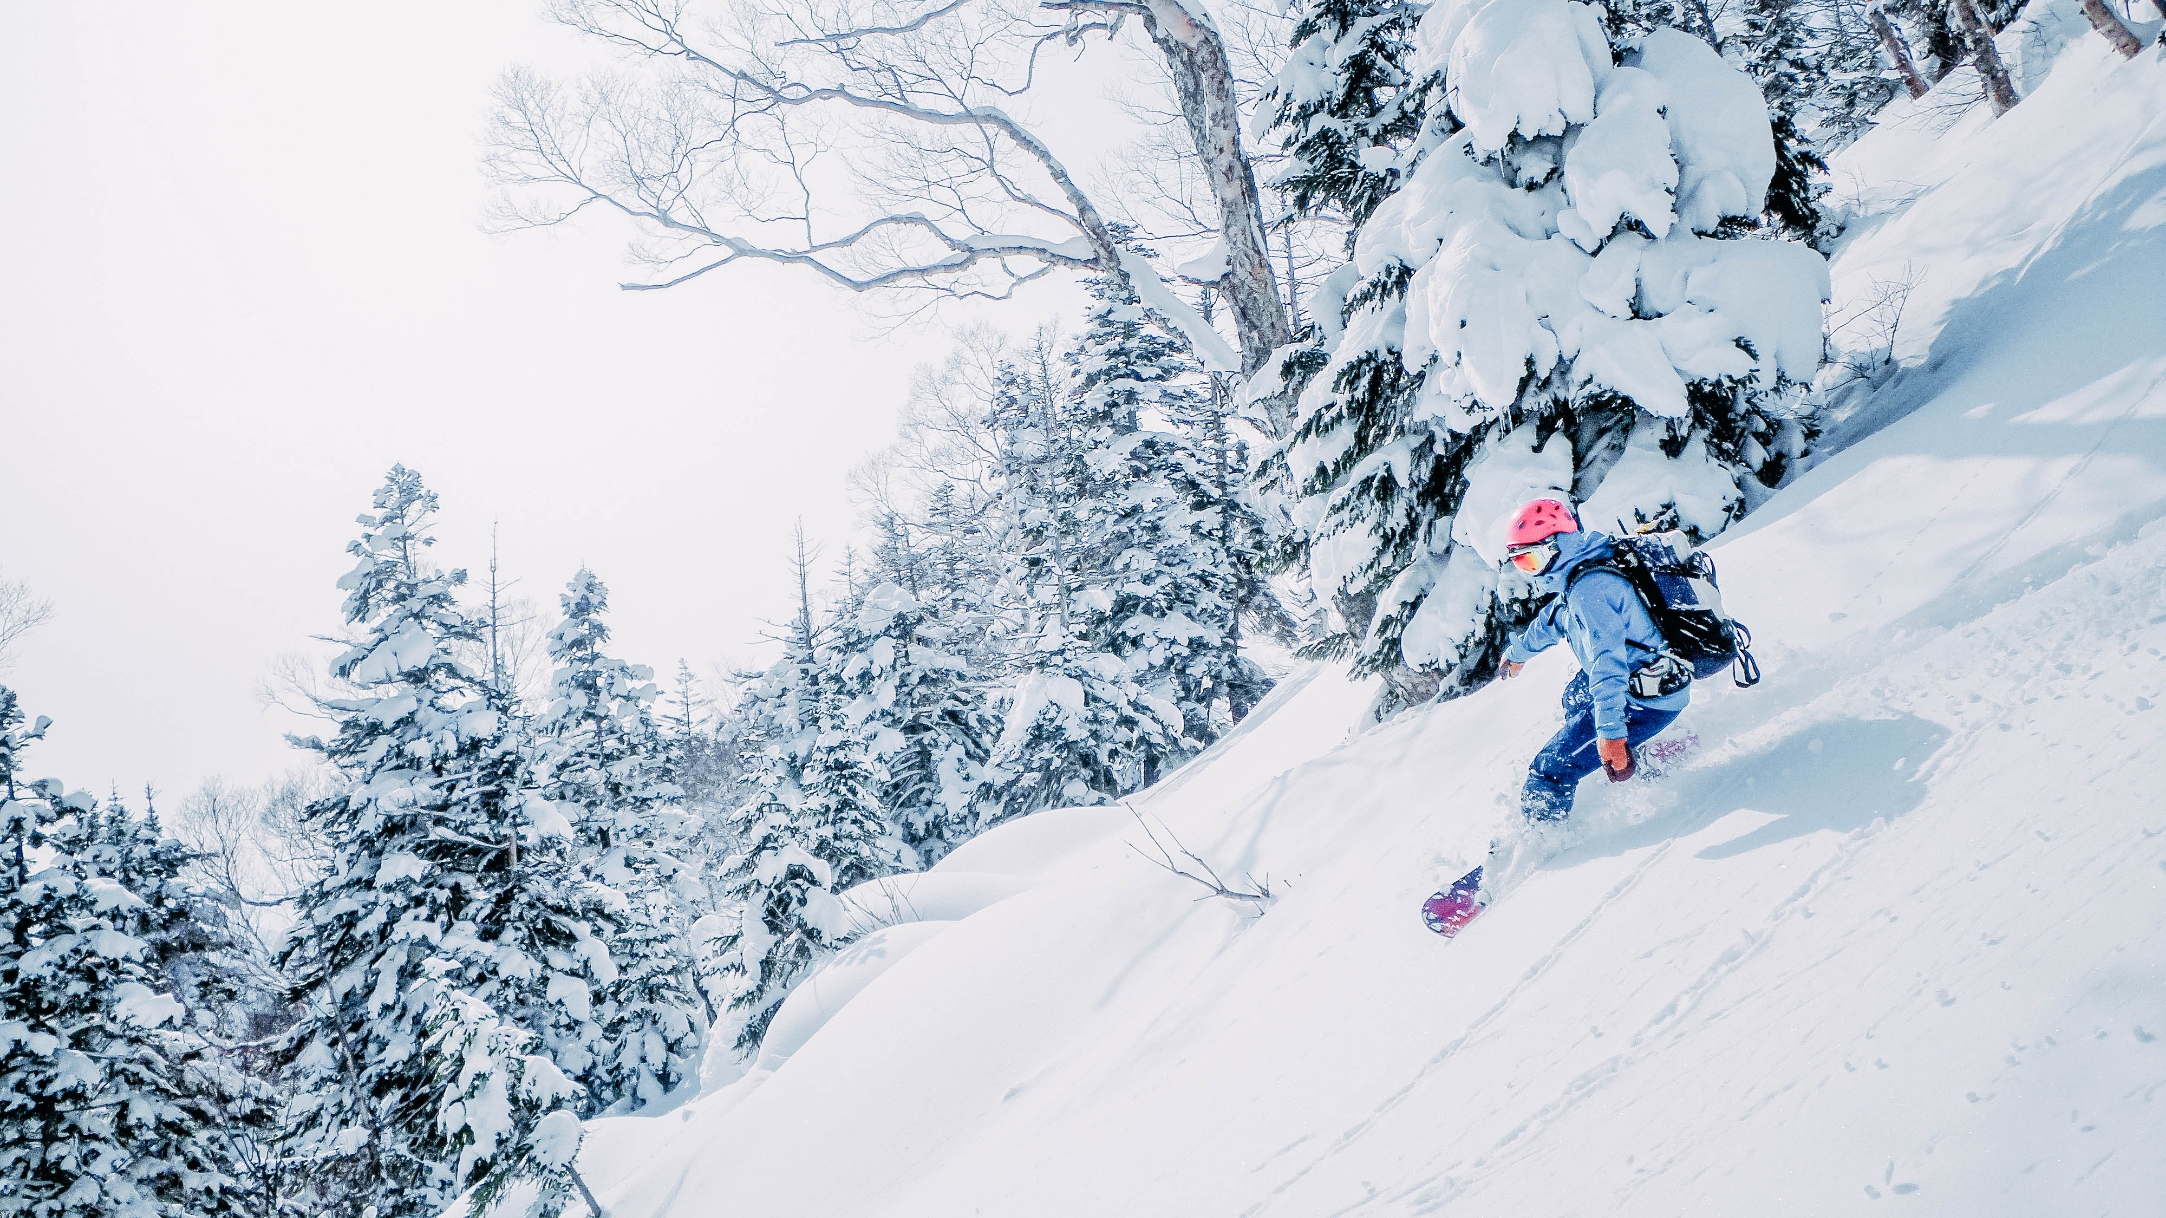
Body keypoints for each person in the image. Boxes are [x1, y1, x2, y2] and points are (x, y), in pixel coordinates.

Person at [1496, 497, 1689, 820]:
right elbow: (1554, 619)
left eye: (1532, 560)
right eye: (1521, 564)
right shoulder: (1586, 568)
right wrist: (1518, 654)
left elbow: (1608, 668)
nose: (1531, 572)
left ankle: (1541, 842)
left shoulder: (1591, 592)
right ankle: (1648, 746)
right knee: (1576, 696)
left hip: (1647, 700)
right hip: (1652, 673)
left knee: (1549, 771)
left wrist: (1612, 734)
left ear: (1556, 546)